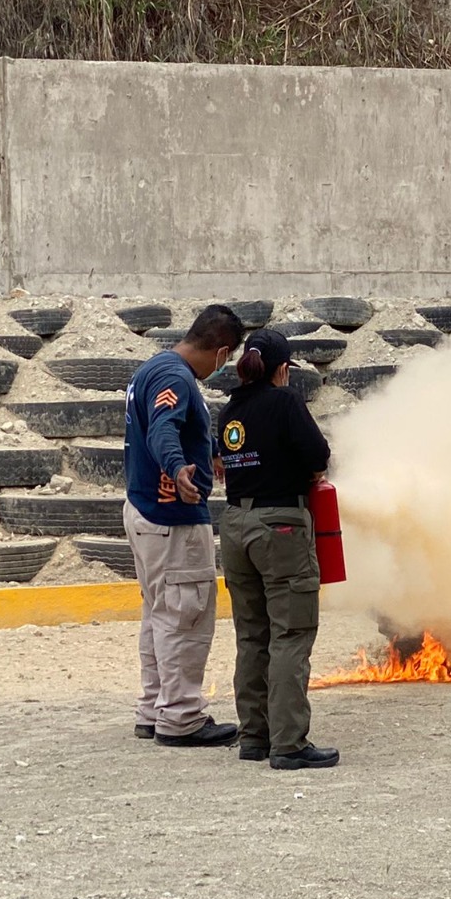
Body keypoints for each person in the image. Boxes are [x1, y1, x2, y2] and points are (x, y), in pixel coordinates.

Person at [217, 329, 338, 770]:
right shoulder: (285, 401)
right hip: (280, 527)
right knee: (291, 632)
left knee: (252, 635)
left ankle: (255, 736)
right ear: (282, 369)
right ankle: (288, 744)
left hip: (235, 525)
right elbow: (317, 455)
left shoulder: (229, 411)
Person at [124, 303, 245, 748]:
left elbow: (176, 423)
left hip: (144, 512)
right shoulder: (176, 379)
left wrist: (210, 449)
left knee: (158, 615)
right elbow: (163, 429)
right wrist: (178, 469)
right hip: (172, 518)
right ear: (222, 352)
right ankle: (181, 718)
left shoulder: (154, 369)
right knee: (185, 617)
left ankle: (154, 709)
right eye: (227, 360)